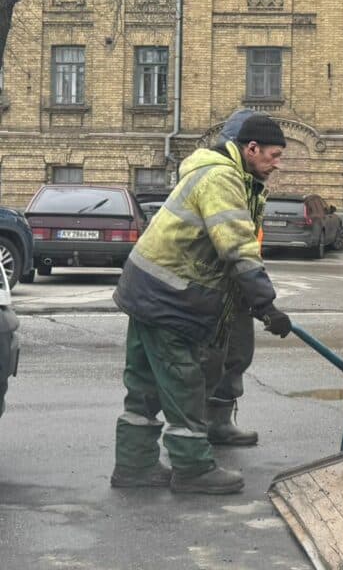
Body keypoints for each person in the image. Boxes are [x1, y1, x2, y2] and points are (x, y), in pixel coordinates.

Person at [110, 114, 293, 495]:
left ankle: (135, 464)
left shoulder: (216, 171)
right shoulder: (222, 178)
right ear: (251, 148)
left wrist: (253, 302)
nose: (277, 164)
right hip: (169, 297)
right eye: (273, 155)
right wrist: (267, 304)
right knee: (184, 383)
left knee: (144, 385)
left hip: (146, 289)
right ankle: (193, 469)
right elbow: (238, 247)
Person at [200, 109, 261, 447]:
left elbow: (248, 239)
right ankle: (193, 438)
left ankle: (220, 422)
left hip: (236, 284)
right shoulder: (220, 177)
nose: (275, 162)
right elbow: (232, 241)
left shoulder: (252, 182)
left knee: (238, 352)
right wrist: (262, 296)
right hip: (208, 285)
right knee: (208, 360)